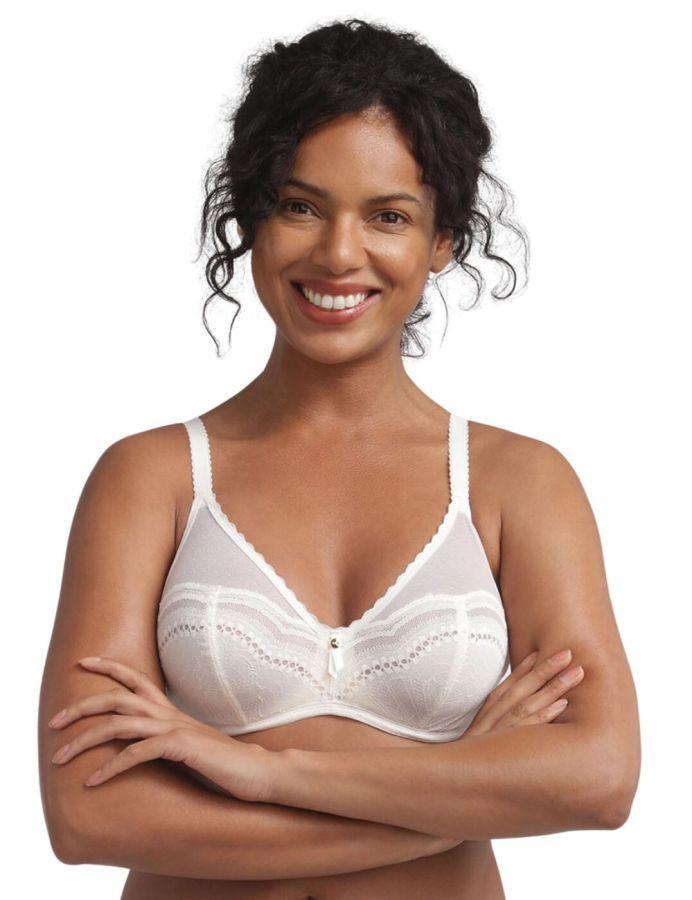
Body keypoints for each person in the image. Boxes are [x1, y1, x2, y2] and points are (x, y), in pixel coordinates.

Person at [39, 17, 640, 899]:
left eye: (389, 216)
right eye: (300, 206)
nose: (339, 254)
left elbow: (599, 777)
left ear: (443, 240)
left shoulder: (518, 482)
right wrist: (461, 794)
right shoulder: (151, 478)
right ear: (251, 215)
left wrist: (264, 772)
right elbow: (87, 814)